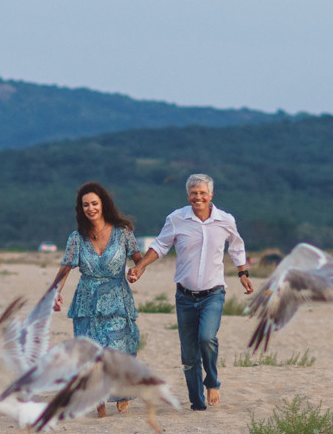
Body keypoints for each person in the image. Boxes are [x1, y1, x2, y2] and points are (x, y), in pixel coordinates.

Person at [130, 173, 252, 411]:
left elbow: (237, 246)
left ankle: (212, 382)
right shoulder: (177, 219)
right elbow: (160, 245)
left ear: (211, 195)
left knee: (206, 338)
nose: (198, 197)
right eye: (194, 193)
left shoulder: (225, 220)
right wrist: (140, 266)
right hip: (185, 297)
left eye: (203, 193)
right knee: (188, 355)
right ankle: (197, 402)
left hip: (213, 294)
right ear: (188, 195)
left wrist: (243, 273)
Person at [50, 182, 142, 365]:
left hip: (117, 301)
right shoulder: (76, 238)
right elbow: (65, 269)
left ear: (103, 204)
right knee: (89, 358)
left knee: (117, 352)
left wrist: (136, 272)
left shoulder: (123, 233)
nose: (90, 208)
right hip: (86, 303)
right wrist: (55, 293)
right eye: (86, 205)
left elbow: (139, 261)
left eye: (94, 203)